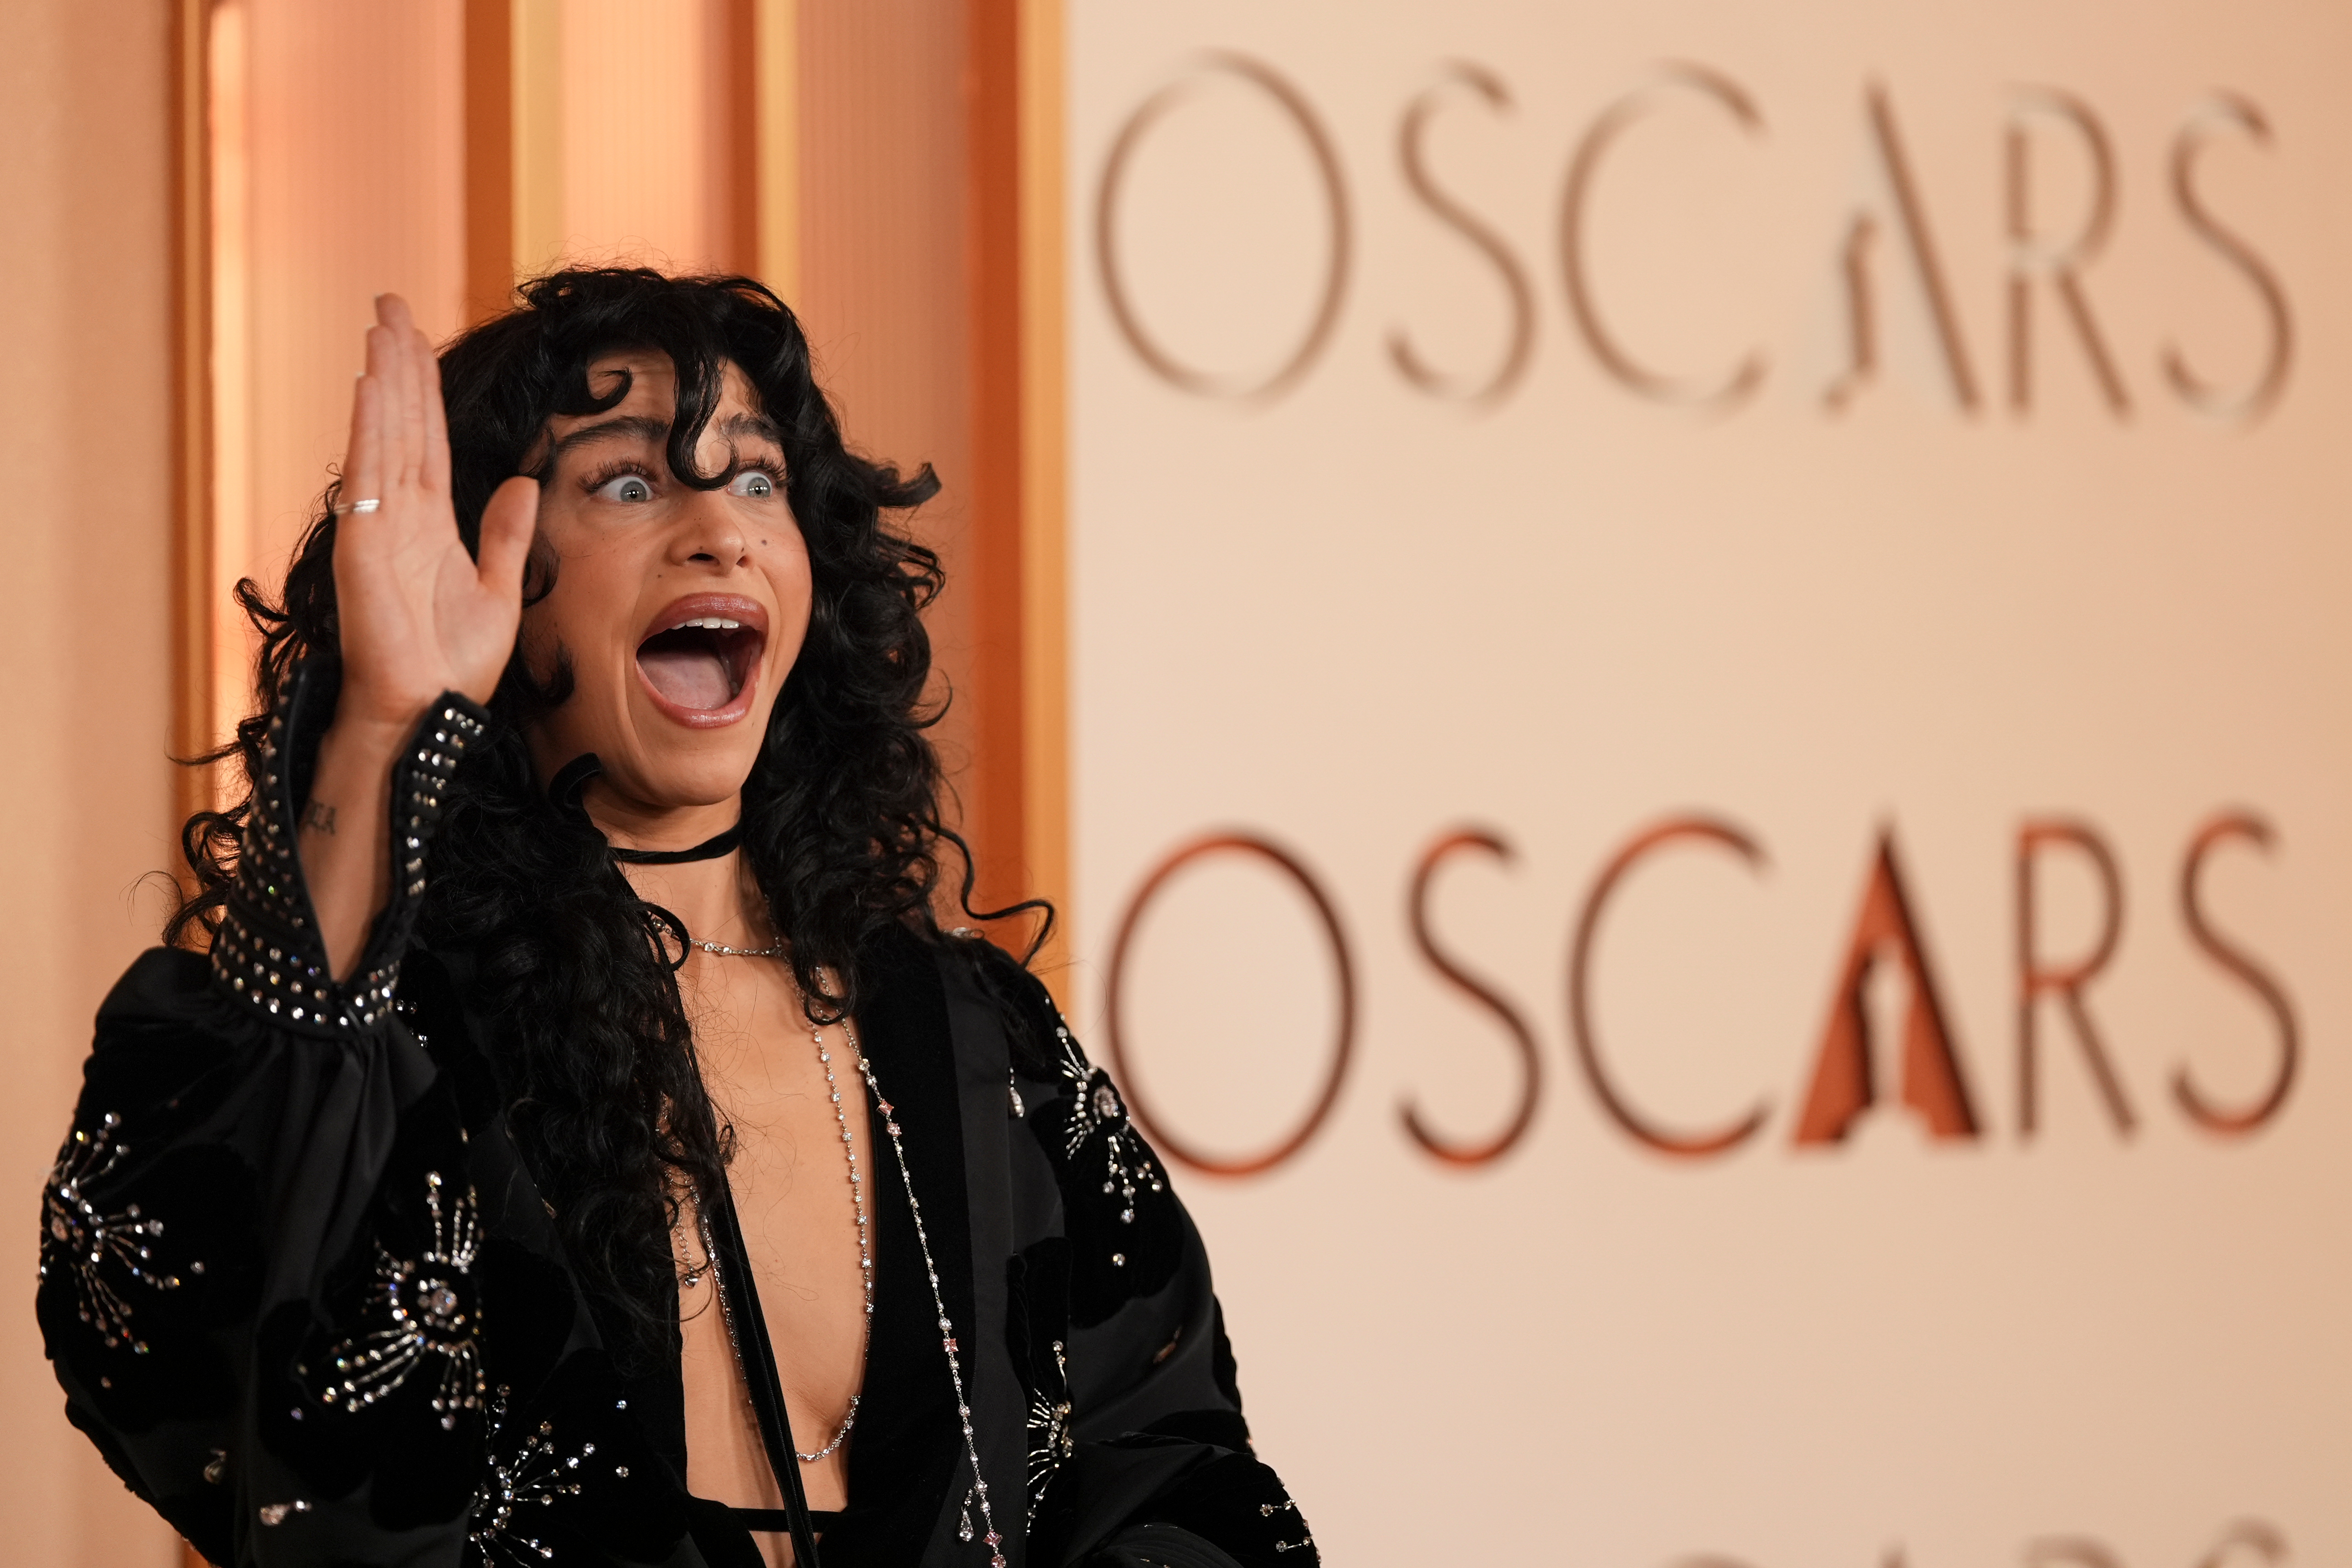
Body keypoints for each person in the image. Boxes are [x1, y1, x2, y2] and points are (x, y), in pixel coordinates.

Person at [38, 270, 1315, 1568]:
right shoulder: (396, 1039)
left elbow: (1171, 1466)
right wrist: (383, 730)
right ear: (497, 567)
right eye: (630, 485)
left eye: (757, 481)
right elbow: (178, 1302)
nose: (721, 532)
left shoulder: (975, 1040)